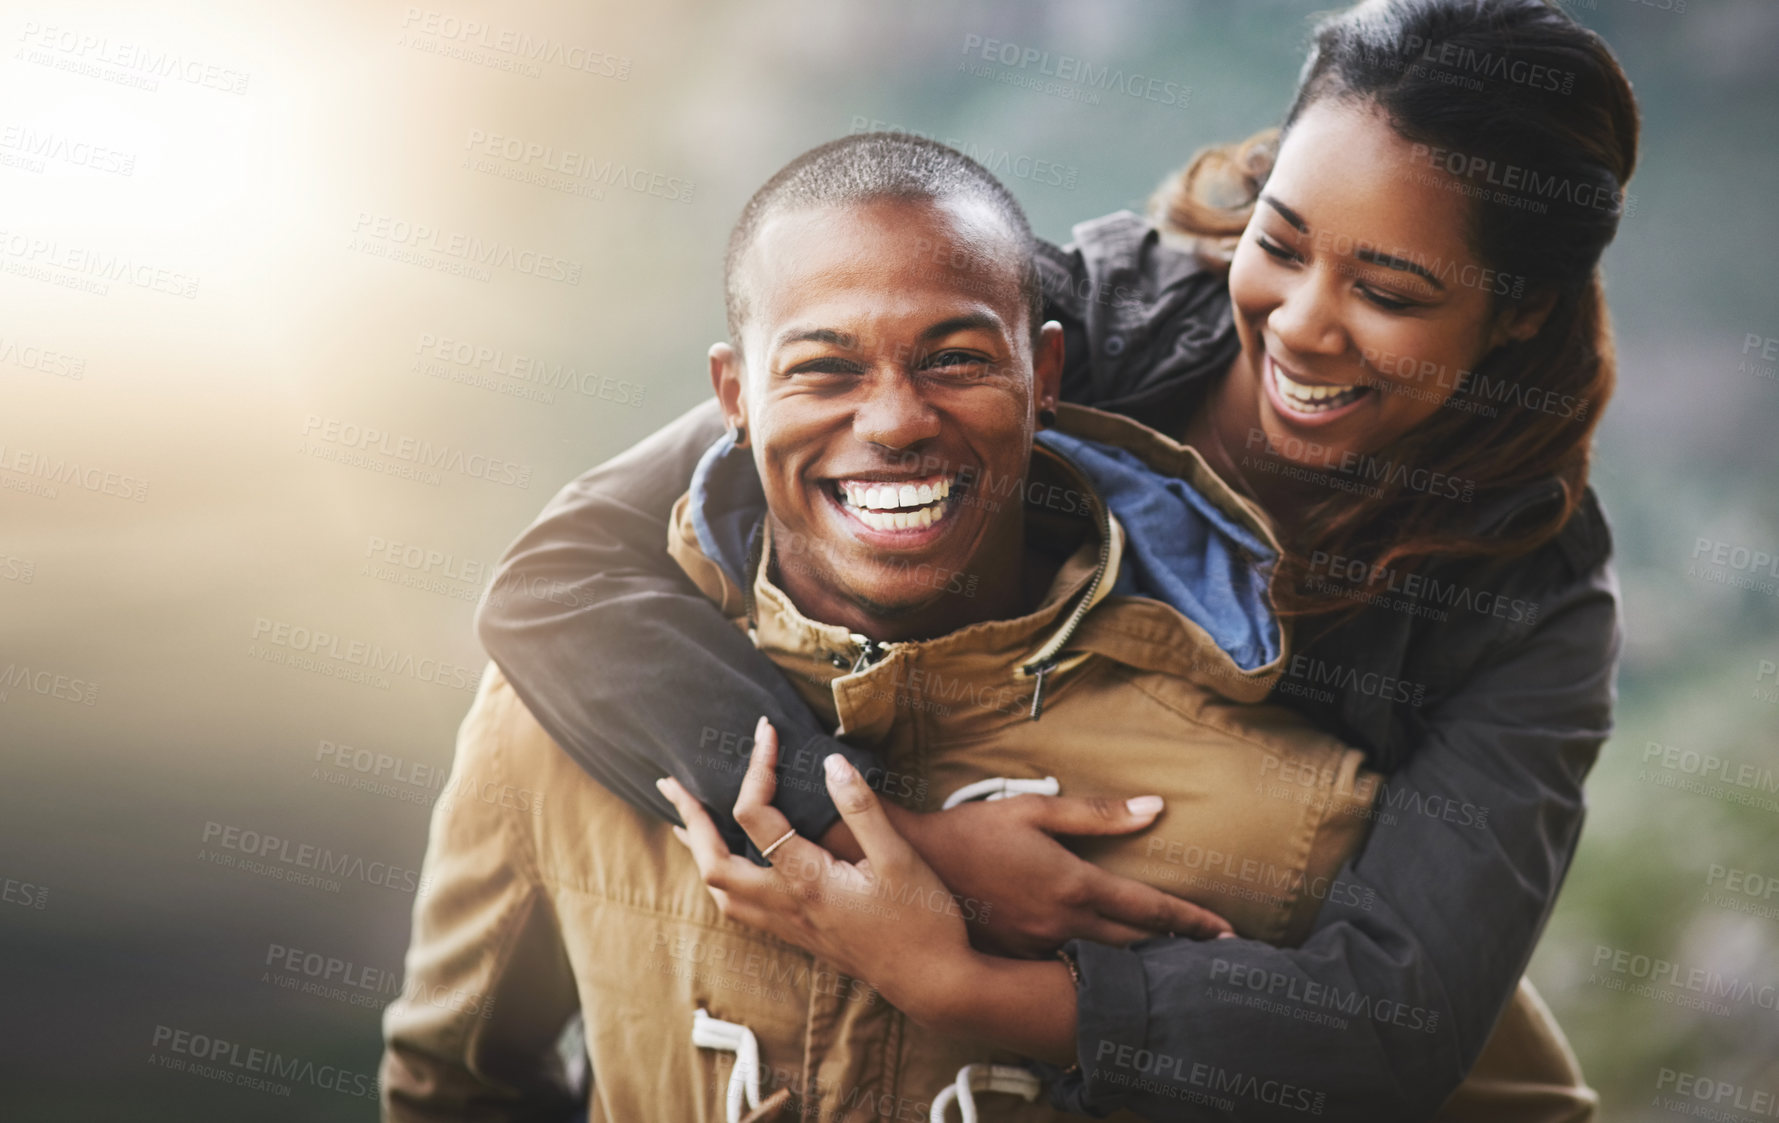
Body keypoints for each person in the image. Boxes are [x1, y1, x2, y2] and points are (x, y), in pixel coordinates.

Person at [382, 130, 1592, 1123]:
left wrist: (1004, 994)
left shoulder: (1281, 807)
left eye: (956, 358)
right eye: (823, 369)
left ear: (1046, 372)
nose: (896, 420)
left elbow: (1440, 1064)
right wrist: (893, 839)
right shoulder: (555, 716)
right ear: (733, 399)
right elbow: (453, 1082)